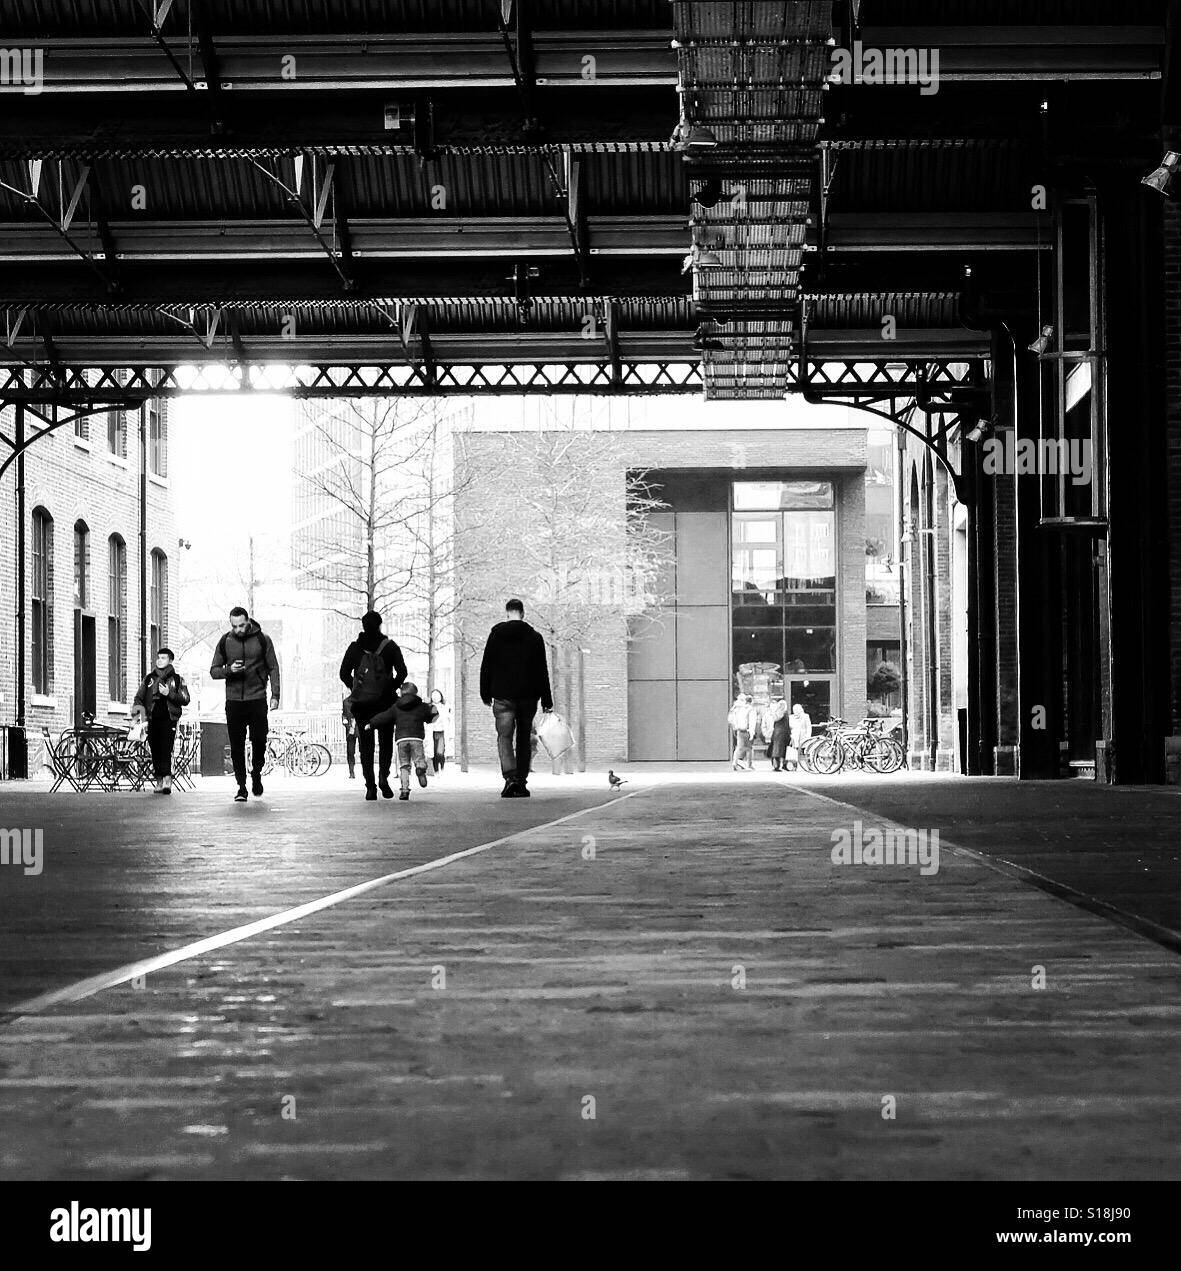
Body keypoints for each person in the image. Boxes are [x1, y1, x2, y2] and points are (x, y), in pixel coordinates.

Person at [479, 598, 553, 799]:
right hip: (528, 696)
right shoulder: (535, 638)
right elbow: (541, 670)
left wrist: (485, 692)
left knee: (504, 736)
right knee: (523, 738)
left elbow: (487, 665)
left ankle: (510, 777)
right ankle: (521, 782)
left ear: (507, 613)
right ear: (523, 613)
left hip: (502, 695)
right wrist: (547, 699)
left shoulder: (495, 636)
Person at [210, 606, 280, 803]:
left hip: (257, 698)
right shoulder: (225, 641)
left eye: (241, 625)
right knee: (236, 746)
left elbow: (273, 667)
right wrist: (229, 670)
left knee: (259, 740)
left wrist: (276, 695)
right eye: (234, 626)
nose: (239, 629)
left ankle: (256, 771)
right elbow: (214, 671)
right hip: (233, 701)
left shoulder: (262, 639)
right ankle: (241, 786)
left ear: (248, 621)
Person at [339, 610, 407, 801]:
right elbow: (402, 672)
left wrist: (356, 687)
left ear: (363, 626)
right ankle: (383, 778)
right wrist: (390, 687)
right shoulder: (390, 647)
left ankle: (370, 786)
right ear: (380, 625)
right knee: (385, 743)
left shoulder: (354, 649)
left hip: (363, 706)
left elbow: (343, 673)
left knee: (366, 746)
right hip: (385, 704)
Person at [365, 681, 437, 801]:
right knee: (419, 759)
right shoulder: (421, 705)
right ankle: (420, 768)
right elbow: (433, 714)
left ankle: (404, 791)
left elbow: (384, 716)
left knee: (404, 765)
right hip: (416, 738)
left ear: (402, 692)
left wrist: (371, 723)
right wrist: (431, 712)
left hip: (401, 740)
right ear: (415, 692)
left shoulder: (396, 706)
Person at [132, 647, 191, 794]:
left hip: (169, 719)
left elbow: (185, 699)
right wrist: (136, 717)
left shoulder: (177, 679)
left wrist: (168, 693)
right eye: (158, 657)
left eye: (163, 658)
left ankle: (167, 780)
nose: (159, 660)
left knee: (166, 748)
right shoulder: (149, 679)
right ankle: (158, 779)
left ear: (170, 660)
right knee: (155, 749)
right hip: (152, 719)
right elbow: (139, 698)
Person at [727, 693, 757, 772]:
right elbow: (752, 721)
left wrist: (735, 726)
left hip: (738, 730)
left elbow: (730, 719)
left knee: (739, 747)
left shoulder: (736, 708)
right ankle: (749, 765)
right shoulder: (750, 709)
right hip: (746, 730)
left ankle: (735, 762)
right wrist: (752, 732)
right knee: (749, 749)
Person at [428, 689, 451, 774]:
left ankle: (442, 766)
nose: (436, 697)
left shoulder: (445, 706)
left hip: (441, 732)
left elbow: (448, 719)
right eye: (434, 696)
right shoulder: (429, 707)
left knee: (440, 752)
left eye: (437, 695)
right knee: (433, 752)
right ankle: (436, 769)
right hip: (432, 732)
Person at [764, 696, 790, 771]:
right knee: (778, 750)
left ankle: (779, 765)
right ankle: (777, 766)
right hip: (781, 734)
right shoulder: (781, 712)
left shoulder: (780, 712)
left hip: (781, 734)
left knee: (780, 750)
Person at [788, 702, 813, 772]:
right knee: (794, 753)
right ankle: (794, 766)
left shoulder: (805, 716)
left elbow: (808, 727)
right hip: (794, 737)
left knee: (806, 752)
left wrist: (808, 736)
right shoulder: (791, 717)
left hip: (803, 737)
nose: (795, 711)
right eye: (794, 710)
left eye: (797, 709)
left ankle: (809, 766)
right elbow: (789, 728)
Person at [342, 698, 358, 779]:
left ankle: (367, 772)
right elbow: (344, 714)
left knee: (365, 751)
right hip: (350, 728)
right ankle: (351, 771)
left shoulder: (362, 699)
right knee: (350, 751)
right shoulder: (346, 701)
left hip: (360, 727)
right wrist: (344, 721)